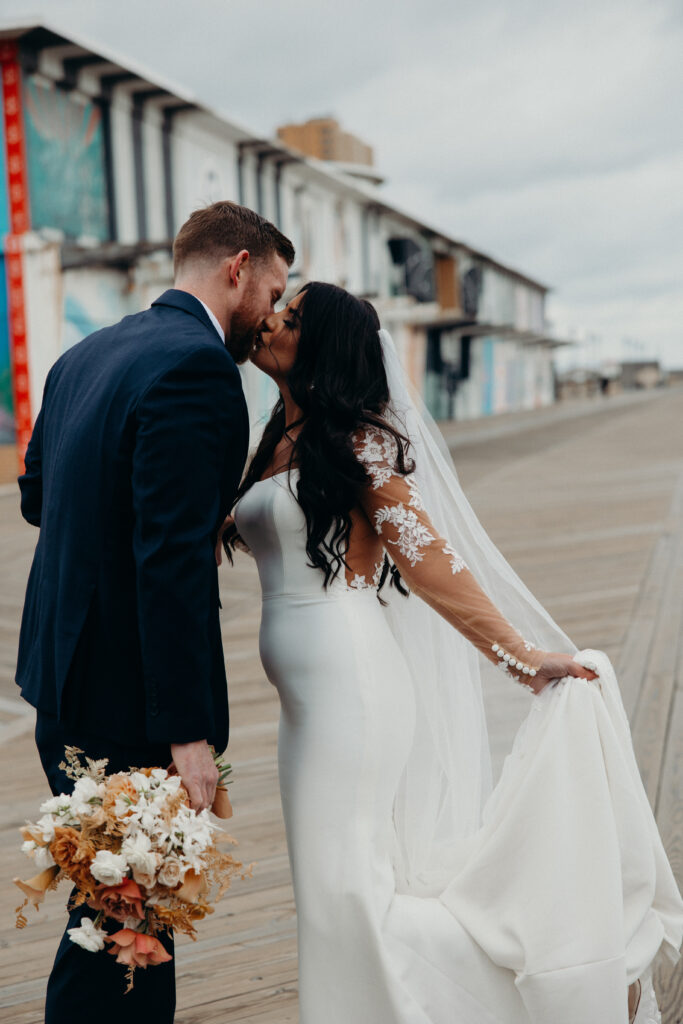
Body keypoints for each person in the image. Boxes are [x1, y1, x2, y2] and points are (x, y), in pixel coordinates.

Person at [223, 281, 683, 1024]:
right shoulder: (278, 437)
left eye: (294, 317)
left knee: (349, 887)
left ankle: (544, 994)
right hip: (305, 704)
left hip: (351, 687)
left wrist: (519, 655)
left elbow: (428, 558)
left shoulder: (357, 444)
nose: (271, 320)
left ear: (326, 347)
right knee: (328, 884)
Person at [16, 201, 294, 1023]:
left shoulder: (83, 354)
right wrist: (186, 731)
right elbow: (168, 563)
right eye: (273, 291)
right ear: (236, 268)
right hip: (129, 704)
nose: (272, 314)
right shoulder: (196, 368)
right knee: (125, 922)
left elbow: (40, 499)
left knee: (113, 912)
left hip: (59, 684)